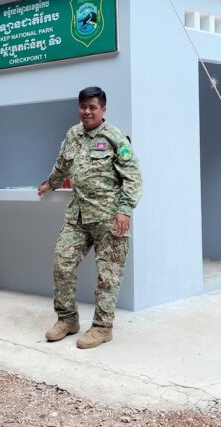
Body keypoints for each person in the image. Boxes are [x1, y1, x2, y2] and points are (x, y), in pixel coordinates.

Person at [37, 86, 142, 349]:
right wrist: (50, 183)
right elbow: (62, 163)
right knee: (62, 263)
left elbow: (133, 177)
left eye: (92, 107)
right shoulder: (73, 134)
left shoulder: (115, 137)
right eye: (83, 106)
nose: (87, 112)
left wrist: (124, 210)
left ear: (103, 110)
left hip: (109, 217)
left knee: (108, 275)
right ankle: (67, 320)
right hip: (78, 214)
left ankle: (102, 328)